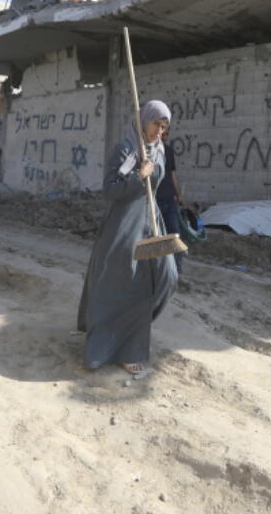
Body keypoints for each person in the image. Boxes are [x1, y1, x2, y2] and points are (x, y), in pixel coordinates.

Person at [77, 100, 179, 375]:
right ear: (143, 121)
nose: (160, 130)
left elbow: (157, 189)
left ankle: (132, 332)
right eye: (156, 123)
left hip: (150, 223)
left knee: (167, 276)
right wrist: (138, 176)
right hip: (122, 228)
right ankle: (116, 350)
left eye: (164, 125)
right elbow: (110, 190)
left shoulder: (159, 152)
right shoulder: (125, 149)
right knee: (125, 288)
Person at [155, 127, 186, 274]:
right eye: (163, 134)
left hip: (170, 200)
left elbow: (172, 174)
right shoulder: (149, 151)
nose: (165, 137)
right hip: (155, 201)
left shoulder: (168, 151)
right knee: (157, 236)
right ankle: (159, 270)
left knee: (175, 234)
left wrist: (179, 194)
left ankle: (176, 270)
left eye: (167, 134)